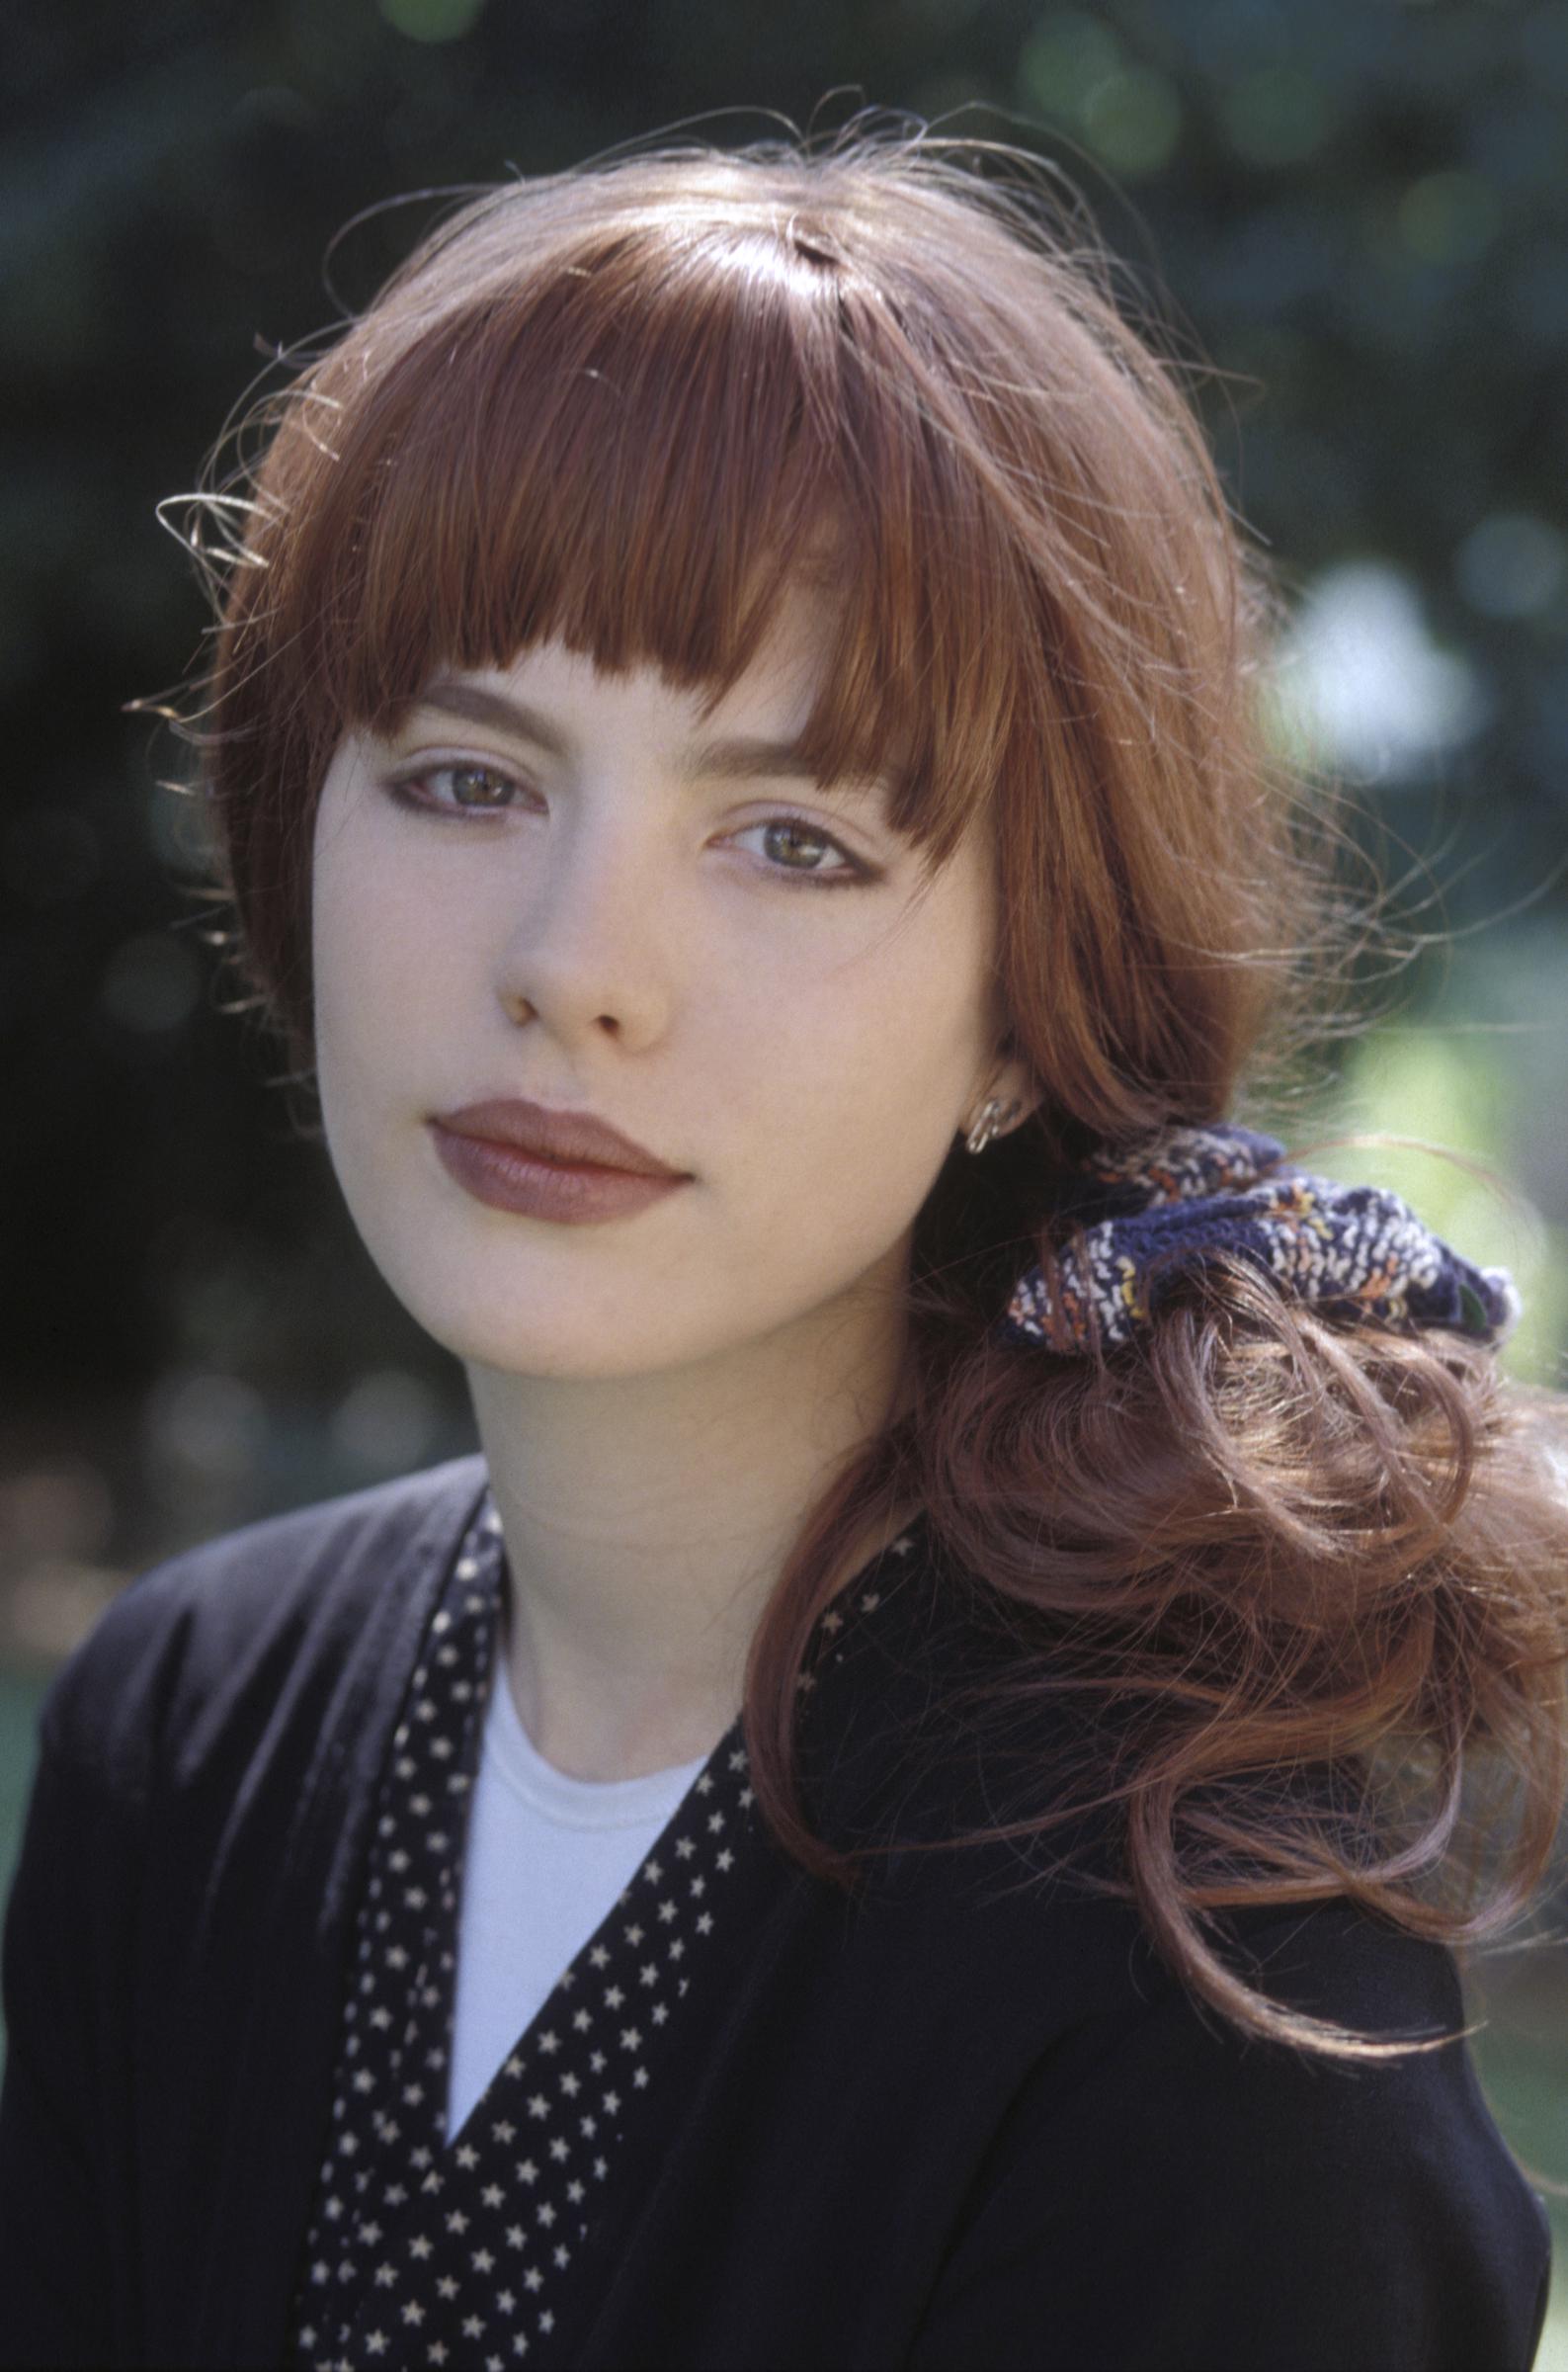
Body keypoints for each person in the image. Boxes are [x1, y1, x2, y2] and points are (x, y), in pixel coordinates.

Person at [3, 115, 1566, 2372]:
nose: (572, 965)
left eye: (793, 841)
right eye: (464, 776)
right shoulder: (187, 1726)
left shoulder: (1194, 1990)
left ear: (1026, 1021)